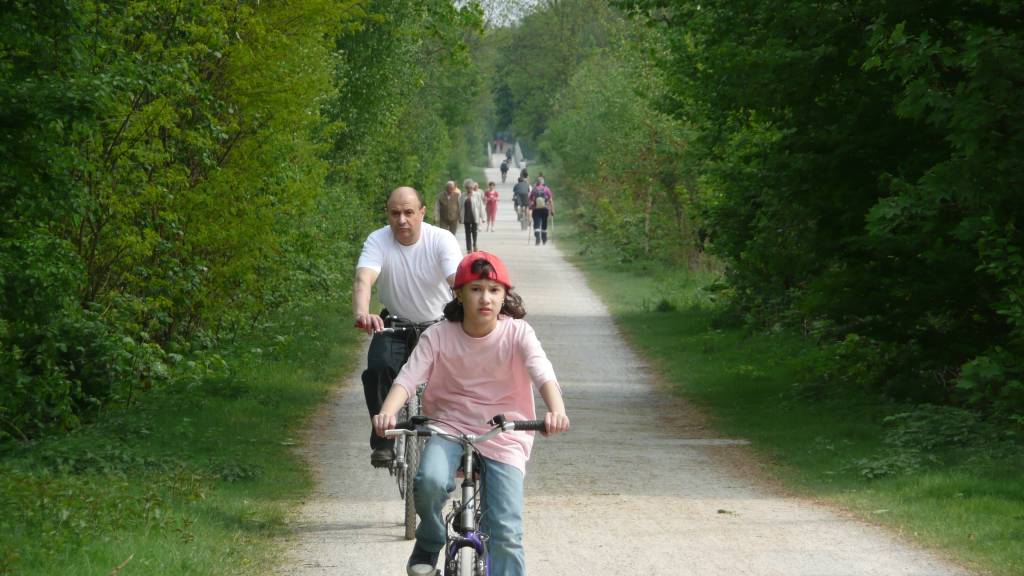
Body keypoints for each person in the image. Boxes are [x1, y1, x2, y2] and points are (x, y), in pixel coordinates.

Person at [372, 251, 570, 576]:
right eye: (476, 289)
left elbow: (542, 372)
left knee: (505, 531)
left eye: (494, 290)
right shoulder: (438, 335)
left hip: (505, 432)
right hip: (449, 427)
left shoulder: (518, 333)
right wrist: (388, 412)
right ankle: (431, 539)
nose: (485, 298)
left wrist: (556, 411)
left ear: (505, 295)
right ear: (459, 294)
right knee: (429, 482)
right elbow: (408, 378)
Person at [354, 186, 463, 467]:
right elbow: (364, 280)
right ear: (388, 214)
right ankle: (384, 439)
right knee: (378, 369)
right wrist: (362, 313)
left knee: (459, 378)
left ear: (422, 213)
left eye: (408, 213)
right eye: (395, 213)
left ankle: (459, 445)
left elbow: (456, 279)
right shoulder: (378, 240)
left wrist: (467, 309)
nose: (401, 220)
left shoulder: (441, 239)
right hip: (395, 324)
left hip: (438, 326)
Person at [462, 180, 486, 252]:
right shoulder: (463, 195)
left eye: (471, 188)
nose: (469, 189)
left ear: (473, 188)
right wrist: (460, 217)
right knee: (467, 233)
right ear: (466, 188)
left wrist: (483, 217)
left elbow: (481, 206)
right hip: (466, 217)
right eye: (468, 188)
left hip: (474, 216)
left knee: (474, 232)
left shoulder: (477, 195)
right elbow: (460, 207)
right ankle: (469, 248)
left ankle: (475, 244)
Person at [528, 178, 553, 245]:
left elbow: (530, 199)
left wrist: (530, 206)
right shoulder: (546, 189)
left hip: (536, 209)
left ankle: (537, 237)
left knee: (536, 224)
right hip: (545, 209)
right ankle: (544, 239)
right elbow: (550, 200)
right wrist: (552, 209)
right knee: (544, 224)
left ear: (537, 182)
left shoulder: (534, 189)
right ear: (543, 182)